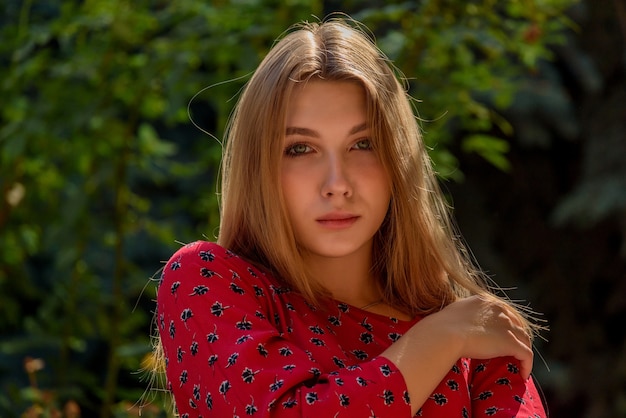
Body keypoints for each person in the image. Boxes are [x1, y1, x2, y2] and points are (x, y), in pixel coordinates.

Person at [154, 16, 547, 417]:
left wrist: (451, 331)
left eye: (363, 144)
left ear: (397, 161)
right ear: (260, 169)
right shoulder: (207, 281)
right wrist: (439, 339)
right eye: (300, 149)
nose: (337, 183)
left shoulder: (477, 339)